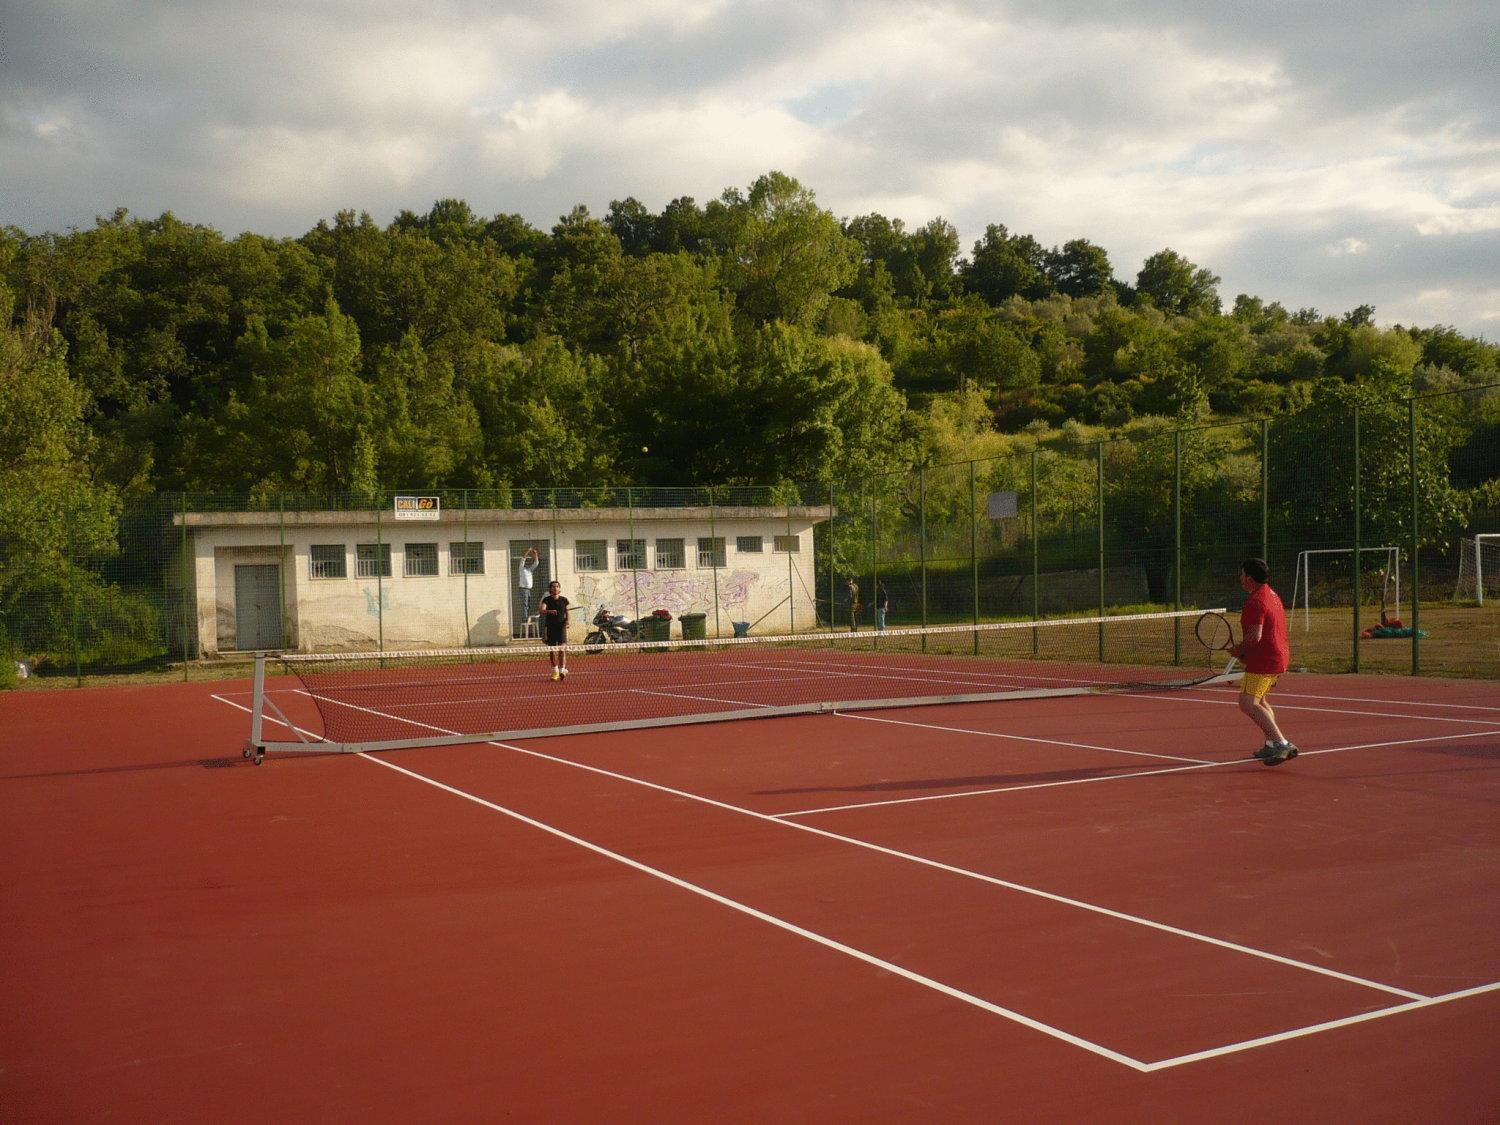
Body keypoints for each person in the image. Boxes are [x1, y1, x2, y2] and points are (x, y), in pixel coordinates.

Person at [1228, 557, 1297, 765]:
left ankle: (1281, 743)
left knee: (1247, 703)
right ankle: (1271, 745)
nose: (1240, 579)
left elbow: (1255, 636)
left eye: (1241, 575)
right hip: (1277, 656)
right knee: (1261, 701)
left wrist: (1238, 650)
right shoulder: (1272, 594)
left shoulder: (1255, 601)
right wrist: (1243, 653)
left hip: (1265, 660)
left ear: (1249, 577)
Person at [539, 579, 570, 680]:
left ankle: (562, 670)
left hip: (561, 627)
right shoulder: (546, 600)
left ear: (559, 589)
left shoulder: (564, 600)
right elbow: (542, 610)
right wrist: (549, 611)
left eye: (557, 586)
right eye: (553, 586)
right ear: (550, 589)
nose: (555, 588)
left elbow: (567, 612)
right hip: (550, 627)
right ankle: (555, 671)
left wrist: (568, 622)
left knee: (562, 649)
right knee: (552, 650)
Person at [517, 546, 539, 633]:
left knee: (528, 604)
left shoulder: (530, 570)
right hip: (523, 589)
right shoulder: (522, 569)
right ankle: (525, 619)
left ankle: (527, 617)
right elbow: (523, 559)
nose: (527, 563)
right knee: (525, 604)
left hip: (528, 589)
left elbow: (536, 563)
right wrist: (528, 551)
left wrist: (535, 554)